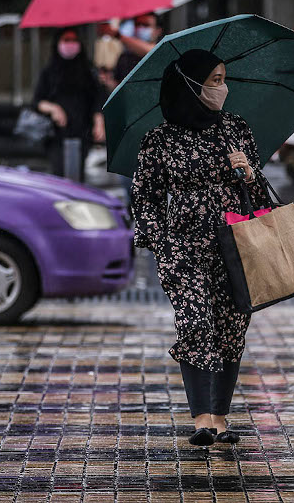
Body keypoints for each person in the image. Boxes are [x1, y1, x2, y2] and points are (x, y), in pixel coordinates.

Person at [131, 49, 267, 446]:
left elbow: (259, 195)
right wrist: (162, 244)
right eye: (215, 81)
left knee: (230, 326)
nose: (222, 89)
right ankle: (201, 418)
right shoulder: (159, 139)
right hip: (184, 245)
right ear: (191, 85)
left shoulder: (235, 129)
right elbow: (145, 198)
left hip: (235, 242)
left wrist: (247, 172)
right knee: (195, 321)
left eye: (224, 79)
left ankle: (221, 417)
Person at [32, 27, 105, 179]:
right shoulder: (49, 71)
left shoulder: (87, 70)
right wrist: (53, 108)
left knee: (78, 175)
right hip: (56, 134)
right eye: (66, 40)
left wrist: (99, 122)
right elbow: (37, 101)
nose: (70, 44)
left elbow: (98, 98)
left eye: (74, 40)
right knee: (60, 174)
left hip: (82, 131)